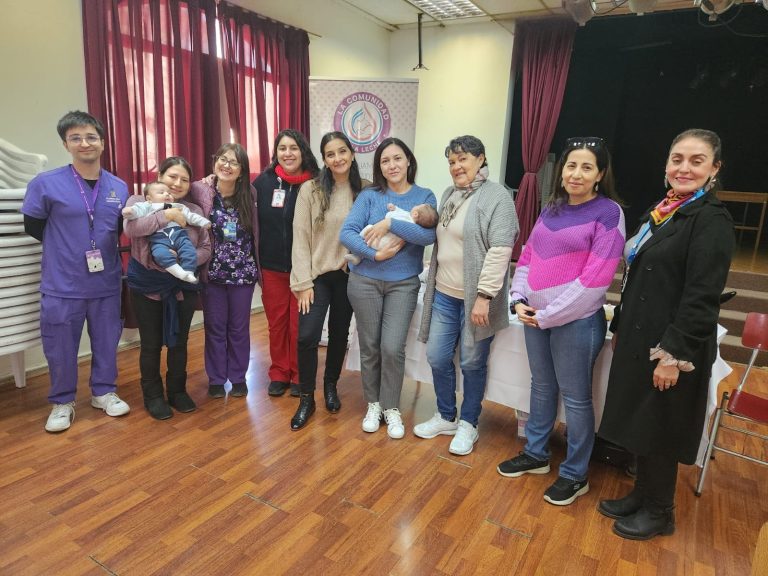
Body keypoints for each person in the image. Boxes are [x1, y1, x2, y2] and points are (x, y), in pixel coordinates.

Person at [597, 129, 734, 540]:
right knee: (642, 424)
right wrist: (620, 326)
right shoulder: (663, 212)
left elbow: (701, 297)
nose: (684, 168)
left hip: (671, 345)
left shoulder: (710, 220)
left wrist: (673, 355)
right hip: (641, 337)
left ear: (714, 169)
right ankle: (642, 495)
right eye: (677, 159)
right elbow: (638, 277)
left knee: (660, 427)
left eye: (696, 160)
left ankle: (660, 512)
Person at [496, 137, 626, 506]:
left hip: (577, 322)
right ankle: (536, 454)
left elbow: (595, 279)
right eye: (571, 165)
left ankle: (575, 474)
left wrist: (549, 315)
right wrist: (518, 299)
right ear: (561, 170)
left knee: (576, 399)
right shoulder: (551, 209)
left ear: (600, 174)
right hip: (537, 319)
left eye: (587, 167)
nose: (576, 174)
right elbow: (527, 258)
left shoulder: (609, 213)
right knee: (541, 387)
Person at [22, 110, 130, 433]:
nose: (85, 143)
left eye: (91, 137)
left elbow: (118, 229)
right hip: (62, 284)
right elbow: (34, 226)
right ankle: (62, 401)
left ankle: (103, 392)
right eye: (76, 138)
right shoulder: (45, 184)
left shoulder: (119, 187)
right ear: (65, 144)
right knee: (60, 347)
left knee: (107, 341)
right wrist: (66, 249)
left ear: (103, 143)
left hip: (105, 283)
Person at [414, 135, 518, 455]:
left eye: (463, 159)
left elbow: (501, 249)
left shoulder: (498, 197)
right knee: (436, 356)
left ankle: (469, 423)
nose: (456, 166)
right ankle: (446, 415)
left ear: (481, 159)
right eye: (452, 161)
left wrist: (484, 296)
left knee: (472, 362)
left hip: (477, 299)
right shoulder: (450, 194)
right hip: (444, 294)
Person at [341, 138, 437, 439]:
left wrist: (389, 224)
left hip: (403, 284)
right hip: (364, 281)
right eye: (385, 161)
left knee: (392, 348)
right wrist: (375, 255)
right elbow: (347, 232)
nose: (392, 165)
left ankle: (391, 406)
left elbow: (428, 236)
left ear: (408, 161)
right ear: (379, 166)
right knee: (370, 346)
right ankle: (373, 404)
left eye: (397, 158)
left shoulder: (424, 196)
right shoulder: (370, 195)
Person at [289, 131, 369, 430]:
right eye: (330, 154)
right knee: (307, 336)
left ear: (352, 153)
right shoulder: (310, 190)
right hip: (317, 277)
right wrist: (302, 283)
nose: (337, 158)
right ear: (323, 159)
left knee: (338, 335)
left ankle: (330, 386)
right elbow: (300, 237)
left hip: (349, 276)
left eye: (342, 151)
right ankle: (306, 398)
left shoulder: (366, 190)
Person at [124, 157, 212, 419]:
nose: (178, 183)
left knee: (179, 343)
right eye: (172, 176)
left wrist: (183, 261)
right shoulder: (139, 201)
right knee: (150, 344)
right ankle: (152, 395)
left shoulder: (192, 209)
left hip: (182, 285)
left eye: (184, 179)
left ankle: (177, 391)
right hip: (147, 285)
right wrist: (167, 215)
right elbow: (133, 229)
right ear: (160, 176)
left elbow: (206, 248)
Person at [253, 129, 319, 398]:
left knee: (299, 326)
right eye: (282, 148)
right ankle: (279, 372)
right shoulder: (264, 182)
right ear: (276, 153)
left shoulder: (316, 182)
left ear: (303, 151)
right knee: (277, 324)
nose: (288, 153)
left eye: (293, 148)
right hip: (272, 268)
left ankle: (300, 374)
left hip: (305, 271)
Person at [189, 144, 259, 399]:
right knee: (215, 327)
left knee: (239, 328)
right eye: (222, 159)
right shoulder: (201, 190)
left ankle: (238, 377)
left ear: (242, 171)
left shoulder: (250, 194)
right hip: (213, 274)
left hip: (243, 274)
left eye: (234, 162)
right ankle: (217, 378)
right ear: (215, 161)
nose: (227, 166)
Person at [123, 181, 211, 284]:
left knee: (189, 250)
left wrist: (203, 222)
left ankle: (188, 272)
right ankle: (179, 272)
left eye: (169, 193)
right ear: (149, 199)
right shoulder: (147, 206)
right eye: (161, 192)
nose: (167, 194)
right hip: (159, 239)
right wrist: (130, 212)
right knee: (160, 254)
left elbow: (191, 216)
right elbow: (137, 211)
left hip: (179, 235)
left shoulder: (177, 206)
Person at [345, 202, 438, 266]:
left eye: (417, 205)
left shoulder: (406, 220)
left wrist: (388, 221)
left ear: (415, 214)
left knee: (368, 229)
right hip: (391, 246)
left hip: (381, 241)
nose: (415, 205)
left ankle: (358, 254)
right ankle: (359, 256)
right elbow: (403, 213)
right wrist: (395, 208)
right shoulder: (413, 225)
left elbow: (390, 217)